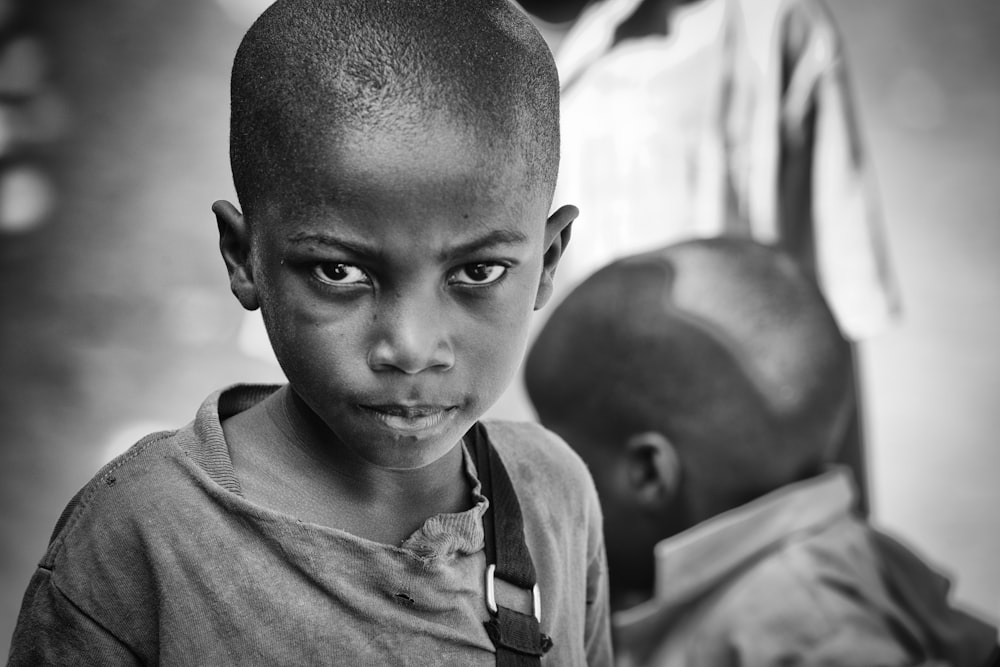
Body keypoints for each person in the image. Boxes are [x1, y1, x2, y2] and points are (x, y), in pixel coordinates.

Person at [7, 1, 613, 664]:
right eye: (339, 270)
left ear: (549, 259)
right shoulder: (141, 539)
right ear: (243, 258)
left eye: (478, 271)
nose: (410, 347)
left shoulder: (552, 494)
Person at [524, 237, 998, 666]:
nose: (536, 483)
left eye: (555, 453)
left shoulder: (797, 620)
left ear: (649, 473)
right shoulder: (840, 554)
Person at [510, 0, 901, 516]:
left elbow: (827, 321)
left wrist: (849, 537)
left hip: (705, 519)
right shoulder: (408, 26)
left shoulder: (763, 22)